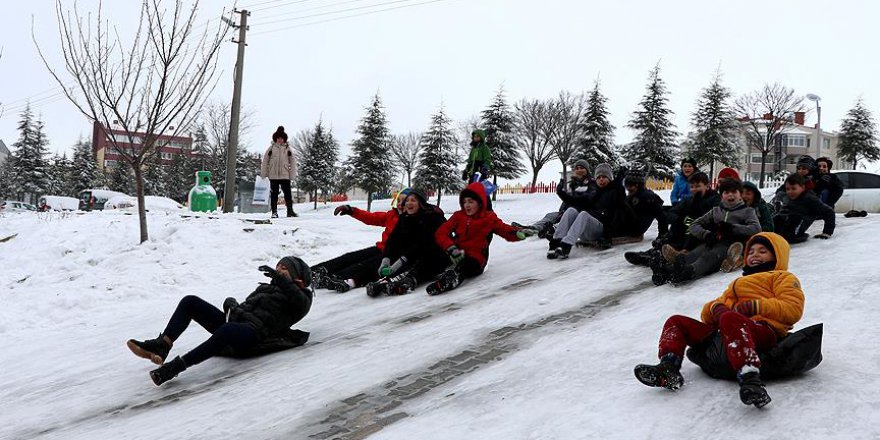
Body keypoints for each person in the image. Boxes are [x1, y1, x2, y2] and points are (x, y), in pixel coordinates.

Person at [634, 232, 804, 408]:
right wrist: (715, 309)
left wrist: (756, 306)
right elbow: (709, 314)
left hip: (763, 330)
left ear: (778, 256)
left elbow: (792, 309)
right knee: (676, 321)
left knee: (730, 318)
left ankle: (750, 379)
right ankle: (668, 368)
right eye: (751, 252)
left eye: (763, 251)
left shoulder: (782, 278)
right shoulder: (738, 283)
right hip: (729, 329)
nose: (755, 255)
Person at [127, 257, 313, 386]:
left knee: (228, 329)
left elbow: (297, 299)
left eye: (284, 268)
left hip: (255, 336)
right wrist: (232, 305)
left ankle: (175, 368)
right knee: (190, 302)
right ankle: (162, 345)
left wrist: (282, 281)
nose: (278, 269)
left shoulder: (302, 298)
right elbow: (245, 311)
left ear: (296, 275)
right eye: (278, 266)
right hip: (239, 327)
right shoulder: (265, 289)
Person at [653, 178, 761, 285]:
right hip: (713, 240)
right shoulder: (716, 211)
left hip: (730, 245)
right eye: (726, 192)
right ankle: (667, 271)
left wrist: (733, 228)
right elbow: (694, 225)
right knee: (695, 253)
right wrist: (706, 234)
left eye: (734, 192)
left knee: (709, 257)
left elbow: (756, 228)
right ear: (722, 195)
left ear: (740, 194)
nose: (730, 195)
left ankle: (689, 271)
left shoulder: (747, 211)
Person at [430, 182, 531, 295]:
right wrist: (451, 248)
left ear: (480, 202)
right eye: (464, 202)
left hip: (476, 258)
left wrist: (517, 233)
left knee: (465, 266)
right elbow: (441, 232)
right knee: (436, 257)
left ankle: (450, 279)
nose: (467, 205)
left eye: (471, 202)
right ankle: (423, 273)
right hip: (456, 252)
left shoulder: (488, 218)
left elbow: (504, 229)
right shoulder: (458, 216)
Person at [312, 189, 410, 292]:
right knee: (350, 257)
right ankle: (314, 272)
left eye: (404, 201)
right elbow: (371, 217)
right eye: (398, 201)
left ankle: (336, 278)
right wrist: (351, 210)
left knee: (363, 265)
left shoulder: (414, 221)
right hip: (381, 249)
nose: (400, 204)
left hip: (394, 256)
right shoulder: (392, 215)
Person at [624, 172, 720, 267]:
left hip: (702, 234)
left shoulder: (714, 199)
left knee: (691, 229)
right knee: (677, 224)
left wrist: (692, 221)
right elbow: (671, 214)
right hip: (684, 231)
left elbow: (713, 218)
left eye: (698, 186)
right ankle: (656, 252)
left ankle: (671, 255)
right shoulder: (688, 200)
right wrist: (682, 220)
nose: (694, 189)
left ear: (707, 186)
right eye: (692, 187)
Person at [365, 190, 447, 297]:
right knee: (398, 260)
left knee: (423, 261)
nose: (409, 203)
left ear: (421, 203)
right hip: (414, 254)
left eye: (413, 200)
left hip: (437, 253)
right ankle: (384, 282)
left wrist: (401, 261)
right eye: (407, 200)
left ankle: (408, 280)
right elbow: (393, 239)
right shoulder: (405, 218)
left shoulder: (431, 217)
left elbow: (421, 244)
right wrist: (386, 259)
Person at [547, 163, 624, 258]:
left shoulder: (615, 192)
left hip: (601, 231)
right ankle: (556, 243)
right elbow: (577, 202)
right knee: (571, 210)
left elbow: (617, 215)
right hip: (587, 231)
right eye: (598, 177)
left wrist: (607, 236)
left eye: (604, 177)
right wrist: (561, 193)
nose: (601, 179)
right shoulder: (594, 192)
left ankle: (566, 246)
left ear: (610, 178)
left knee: (584, 214)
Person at [514, 159, 595, 239]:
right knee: (551, 215)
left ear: (587, 170)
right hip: (567, 211)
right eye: (577, 168)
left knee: (568, 218)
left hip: (582, 214)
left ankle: (552, 230)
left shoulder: (592, 183)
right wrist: (562, 210)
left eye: (582, 168)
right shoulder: (573, 184)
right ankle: (534, 228)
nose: (579, 170)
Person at [609, 168, 668, 243]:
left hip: (636, 228)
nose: (628, 189)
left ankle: (612, 232)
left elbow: (662, 216)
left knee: (620, 205)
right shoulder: (632, 196)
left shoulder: (647, 197)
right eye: (627, 186)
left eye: (631, 186)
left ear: (638, 185)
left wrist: (662, 235)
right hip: (629, 224)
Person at [773, 174, 835, 243]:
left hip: (797, 227)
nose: (790, 191)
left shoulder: (810, 199)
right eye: (788, 189)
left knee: (794, 218)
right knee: (777, 218)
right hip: (789, 223)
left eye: (793, 188)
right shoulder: (792, 197)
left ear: (803, 188)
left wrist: (827, 232)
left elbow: (829, 212)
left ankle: (788, 237)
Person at [260, 126, 297, 218]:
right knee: (274, 194)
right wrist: (264, 174)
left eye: (282, 138)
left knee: (288, 194)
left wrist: (292, 175)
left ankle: (290, 211)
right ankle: (274, 212)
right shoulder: (271, 149)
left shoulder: (288, 149)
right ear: (275, 139)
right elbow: (265, 161)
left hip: (285, 175)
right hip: (273, 175)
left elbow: (293, 162)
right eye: (278, 138)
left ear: (284, 139)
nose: (280, 140)